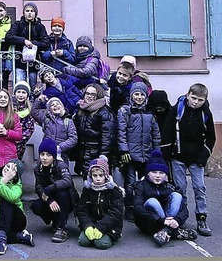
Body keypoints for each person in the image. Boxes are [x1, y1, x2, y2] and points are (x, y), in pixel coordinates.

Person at [161, 83, 215, 236]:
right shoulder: (177, 109)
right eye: (194, 98)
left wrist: (203, 156)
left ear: (205, 100)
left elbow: (211, 137)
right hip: (178, 157)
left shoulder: (206, 113)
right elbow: (167, 131)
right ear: (187, 95)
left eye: (200, 100)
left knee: (199, 188)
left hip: (196, 158)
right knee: (180, 189)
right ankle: (181, 217)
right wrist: (167, 154)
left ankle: (201, 218)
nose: (196, 102)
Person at [132, 150, 197, 247]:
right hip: (149, 223)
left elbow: (184, 209)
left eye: (161, 173)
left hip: (167, 219)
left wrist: (177, 220)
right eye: (154, 172)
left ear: (166, 175)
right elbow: (137, 208)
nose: (158, 176)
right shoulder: (141, 186)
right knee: (152, 201)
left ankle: (165, 232)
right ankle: (175, 232)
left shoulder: (170, 187)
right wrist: (162, 220)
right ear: (147, 173)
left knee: (177, 196)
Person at [117, 82, 160, 221]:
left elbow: (155, 134)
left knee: (145, 182)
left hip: (146, 153)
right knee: (130, 183)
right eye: (136, 94)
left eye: (142, 94)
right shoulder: (125, 111)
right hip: (130, 154)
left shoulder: (149, 112)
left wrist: (157, 152)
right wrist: (124, 150)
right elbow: (121, 132)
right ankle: (129, 206)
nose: (139, 97)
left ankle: (141, 207)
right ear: (131, 95)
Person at [30, 138, 76, 243]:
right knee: (36, 206)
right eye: (42, 154)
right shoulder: (38, 168)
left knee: (62, 193)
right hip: (51, 197)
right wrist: (49, 200)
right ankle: (54, 220)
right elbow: (38, 187)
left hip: (67, 200)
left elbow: (67, 181)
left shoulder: (60, 165)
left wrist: (49, 189)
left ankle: (62, 228)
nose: (45, 158)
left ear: (54, 156)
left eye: (48, 155)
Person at [75, 156, 123, 250]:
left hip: (109, 226)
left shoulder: (114, 191)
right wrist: (87, 226)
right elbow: (82, 210)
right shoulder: (87, 190)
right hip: (92, 223)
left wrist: (101, 227)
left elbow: (115, 213)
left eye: (101, 175)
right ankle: (90, 231)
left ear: (106, 175)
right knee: (83, 241)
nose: (98, 179)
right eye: (94, 176)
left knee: (101, 243)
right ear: (90, 176)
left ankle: (111, 237)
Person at [73, 84, 117, 177]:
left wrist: (102, 157)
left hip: (97, 154)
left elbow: (107, 138)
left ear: (98, 96)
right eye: (87, 93)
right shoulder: (81, 110)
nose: (89, 96)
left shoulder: (104, 112)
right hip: (83, 153)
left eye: (93, 94)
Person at [4, 2, 49, 90]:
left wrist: (33, 44)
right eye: (27, 10)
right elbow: (8, 37)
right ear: (23, 13)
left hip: (34, 63)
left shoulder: (40, 27)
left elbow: (45, 43)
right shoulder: (18, 24)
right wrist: (24, 41)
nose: (29, 13)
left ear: (35, 13)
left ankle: (32, 103)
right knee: (20, 86)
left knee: (33, 87)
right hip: (19, 62)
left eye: (32, 11)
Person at [31, 97, 78, 165]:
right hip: (46, 154)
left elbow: (73, 138)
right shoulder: (46, 119)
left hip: (61, 154)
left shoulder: (68, 121)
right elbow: (34, 112)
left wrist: (60, 147)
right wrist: (39, 100)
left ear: (62, 107)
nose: (55, 105)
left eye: (57, 103)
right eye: (52, 105)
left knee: (61, 173)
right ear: (49, 109)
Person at [12, 81, 35, 160]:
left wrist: (21, 138)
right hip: (8, 140)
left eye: (23, 92)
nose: (21, 95)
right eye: (18, 92)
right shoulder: (9, 107)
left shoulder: (29, 109)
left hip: (21, 143)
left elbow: (30, 128)